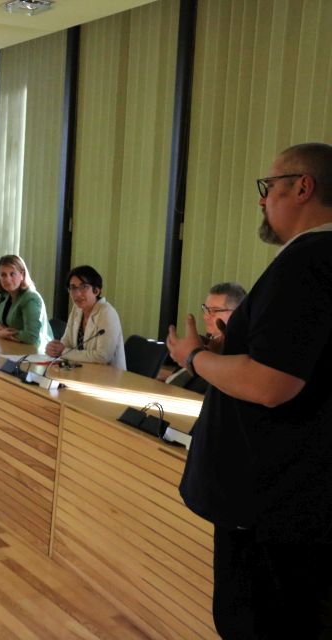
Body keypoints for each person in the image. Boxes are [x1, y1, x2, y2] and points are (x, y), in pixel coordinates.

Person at [167, 142, 332, 638]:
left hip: (271, 504)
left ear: (303, 187)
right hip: (300, 498)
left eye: (269, 186)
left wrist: (196, 357)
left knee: (255, 623)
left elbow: (269, 383)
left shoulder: (306, 264)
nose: (262, 200)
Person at [166, 282, 246, 393]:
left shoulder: (239, 357)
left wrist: (193, 357)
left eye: (214, 310)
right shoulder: (202, 344)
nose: (206, 316)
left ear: (237, 313)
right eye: (206, 309)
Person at [45, 265, 125, 369]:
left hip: (108, 378)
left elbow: (103, 357)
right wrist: (54, 348)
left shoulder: (107, 312)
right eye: (73, 288)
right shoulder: (77, 309)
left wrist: (63, 351)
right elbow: (66, 343)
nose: (77, 294)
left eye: (83, 287)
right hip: (81, 372)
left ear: (96, 290)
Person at [0, 254, 52, 349]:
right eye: (3, 275)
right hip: (12, 348)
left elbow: (31, 336)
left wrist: (4, 333)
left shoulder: (31, 298)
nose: (7, 279)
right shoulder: (6, 296)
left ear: (22, 275)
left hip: (37, 352)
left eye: (12, 274)